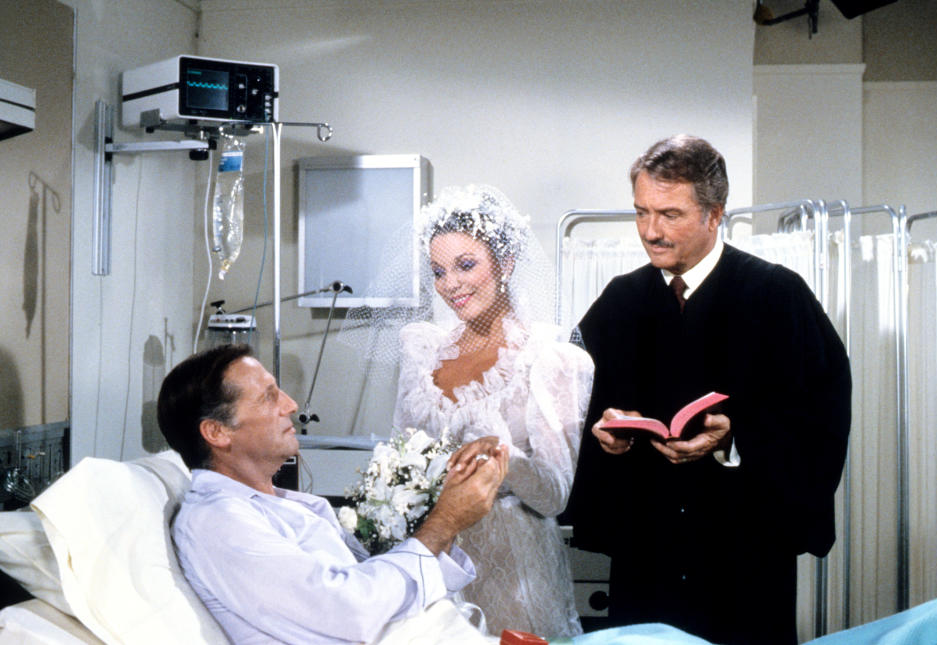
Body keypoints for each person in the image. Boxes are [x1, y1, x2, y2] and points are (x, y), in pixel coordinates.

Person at [564, 135, 851, 645]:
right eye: (641, 212)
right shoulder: (621, 299)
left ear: (714, 215)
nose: (650, 231)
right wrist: (603, 432)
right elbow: (573, 400)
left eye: (670, 215)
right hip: (646, 556)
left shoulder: (776, 295)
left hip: (743, 562)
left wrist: (736, 439)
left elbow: (820, 417)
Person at [347, 185, 594, 638]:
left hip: (513, 574)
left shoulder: (551, 359)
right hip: (431, 566)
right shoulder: (421, 351)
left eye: (465, 265)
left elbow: (554, 495)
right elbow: (404, 453)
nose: (450, 285)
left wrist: (501, 455)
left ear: (506, 263)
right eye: (439, 272)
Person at [156, 343, 509, 644]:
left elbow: (378, 589)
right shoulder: (217, 523)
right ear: (217, 432)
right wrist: (445, 520)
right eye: (268, 397)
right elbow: (351, 611)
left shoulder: (275, 504)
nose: (291, 404)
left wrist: (459, 488)